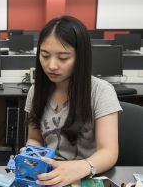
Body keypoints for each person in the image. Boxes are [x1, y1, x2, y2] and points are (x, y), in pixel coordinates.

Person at [24, 15, 121, 186]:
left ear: (80, 57)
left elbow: (109, 151)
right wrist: (31, 153)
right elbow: (35, 138)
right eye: (45, 55)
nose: (52, 65)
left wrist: (81, 167)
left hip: (86, 175)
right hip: (48, 176)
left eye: (63, 58)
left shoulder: (101, 91)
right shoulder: (36, 91)